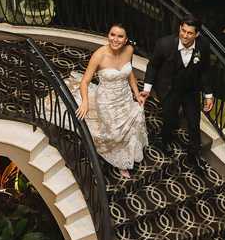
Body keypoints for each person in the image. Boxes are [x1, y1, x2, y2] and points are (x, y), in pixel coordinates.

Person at [74, 23, 148, 178]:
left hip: (125, 97)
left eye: (120, 36)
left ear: (126, 39)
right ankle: (114, 158)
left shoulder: (129, 50)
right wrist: (86, 101)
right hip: (106, 101)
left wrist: (136, 94)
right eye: (112, 35)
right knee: (114, 133)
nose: (115, 39)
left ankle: (125, 159)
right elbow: (85, 81)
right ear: (108, 35)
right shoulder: (99, 55)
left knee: (131, 123)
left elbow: (129, 73)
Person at [141, 16, 214, 160]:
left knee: (193, 122)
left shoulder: (203, 46)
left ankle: (194, 153)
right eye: (183, 30)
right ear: (180, 28)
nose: (185, 36)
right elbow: (153, 66)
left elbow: (205, 70)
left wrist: (208, 94)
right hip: (169, 88)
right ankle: (165, 141)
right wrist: (147, 88)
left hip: (190, 90)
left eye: (189, 33)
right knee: (170, 118)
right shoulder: (165, 44)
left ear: (197, 34)